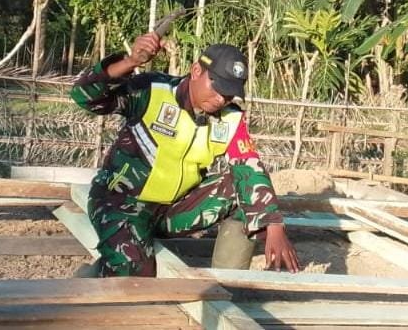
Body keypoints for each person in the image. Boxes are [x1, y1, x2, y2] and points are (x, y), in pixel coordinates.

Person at [70, 32, 300, 277]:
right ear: (196, 71)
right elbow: (84, 96)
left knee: (243, 190)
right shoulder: (152, 91)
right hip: (121, 203)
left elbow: (249, 166)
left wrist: (273, 225)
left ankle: (225, 285)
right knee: (135, 274)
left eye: (229, 94)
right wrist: (130, 62)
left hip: (172, 211)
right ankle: (90, 279)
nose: (221, 99)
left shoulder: (230, 119)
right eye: (217, 87)